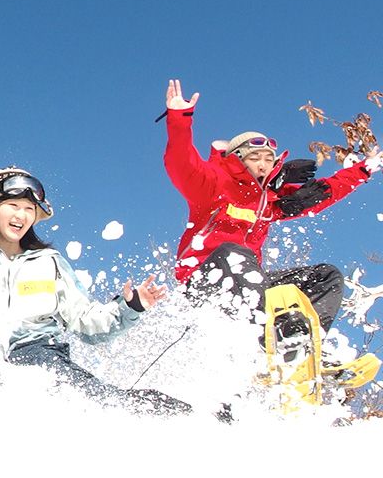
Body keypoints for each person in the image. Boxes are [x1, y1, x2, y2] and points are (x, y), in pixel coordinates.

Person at [0, 167, 191, 414]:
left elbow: (87, 321)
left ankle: (182, 419)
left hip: (39, 353)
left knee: (101, 402)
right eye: (13, 206)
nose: (21, 215)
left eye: (28, 209)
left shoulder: (49, 262)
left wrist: (130, 307)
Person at [161, 79, 379, 336]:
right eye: (255, 158)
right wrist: (179, 118)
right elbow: (180, 162)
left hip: (248, 288)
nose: (263, 164)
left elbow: (323, 194)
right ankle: (276, 336)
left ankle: (305, 345)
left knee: (325, 277)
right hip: (202, 281)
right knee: (233, 253)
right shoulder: (212, 184)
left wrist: (363, 170)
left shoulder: (270, 201)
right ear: (238, 159)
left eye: (268, 159)